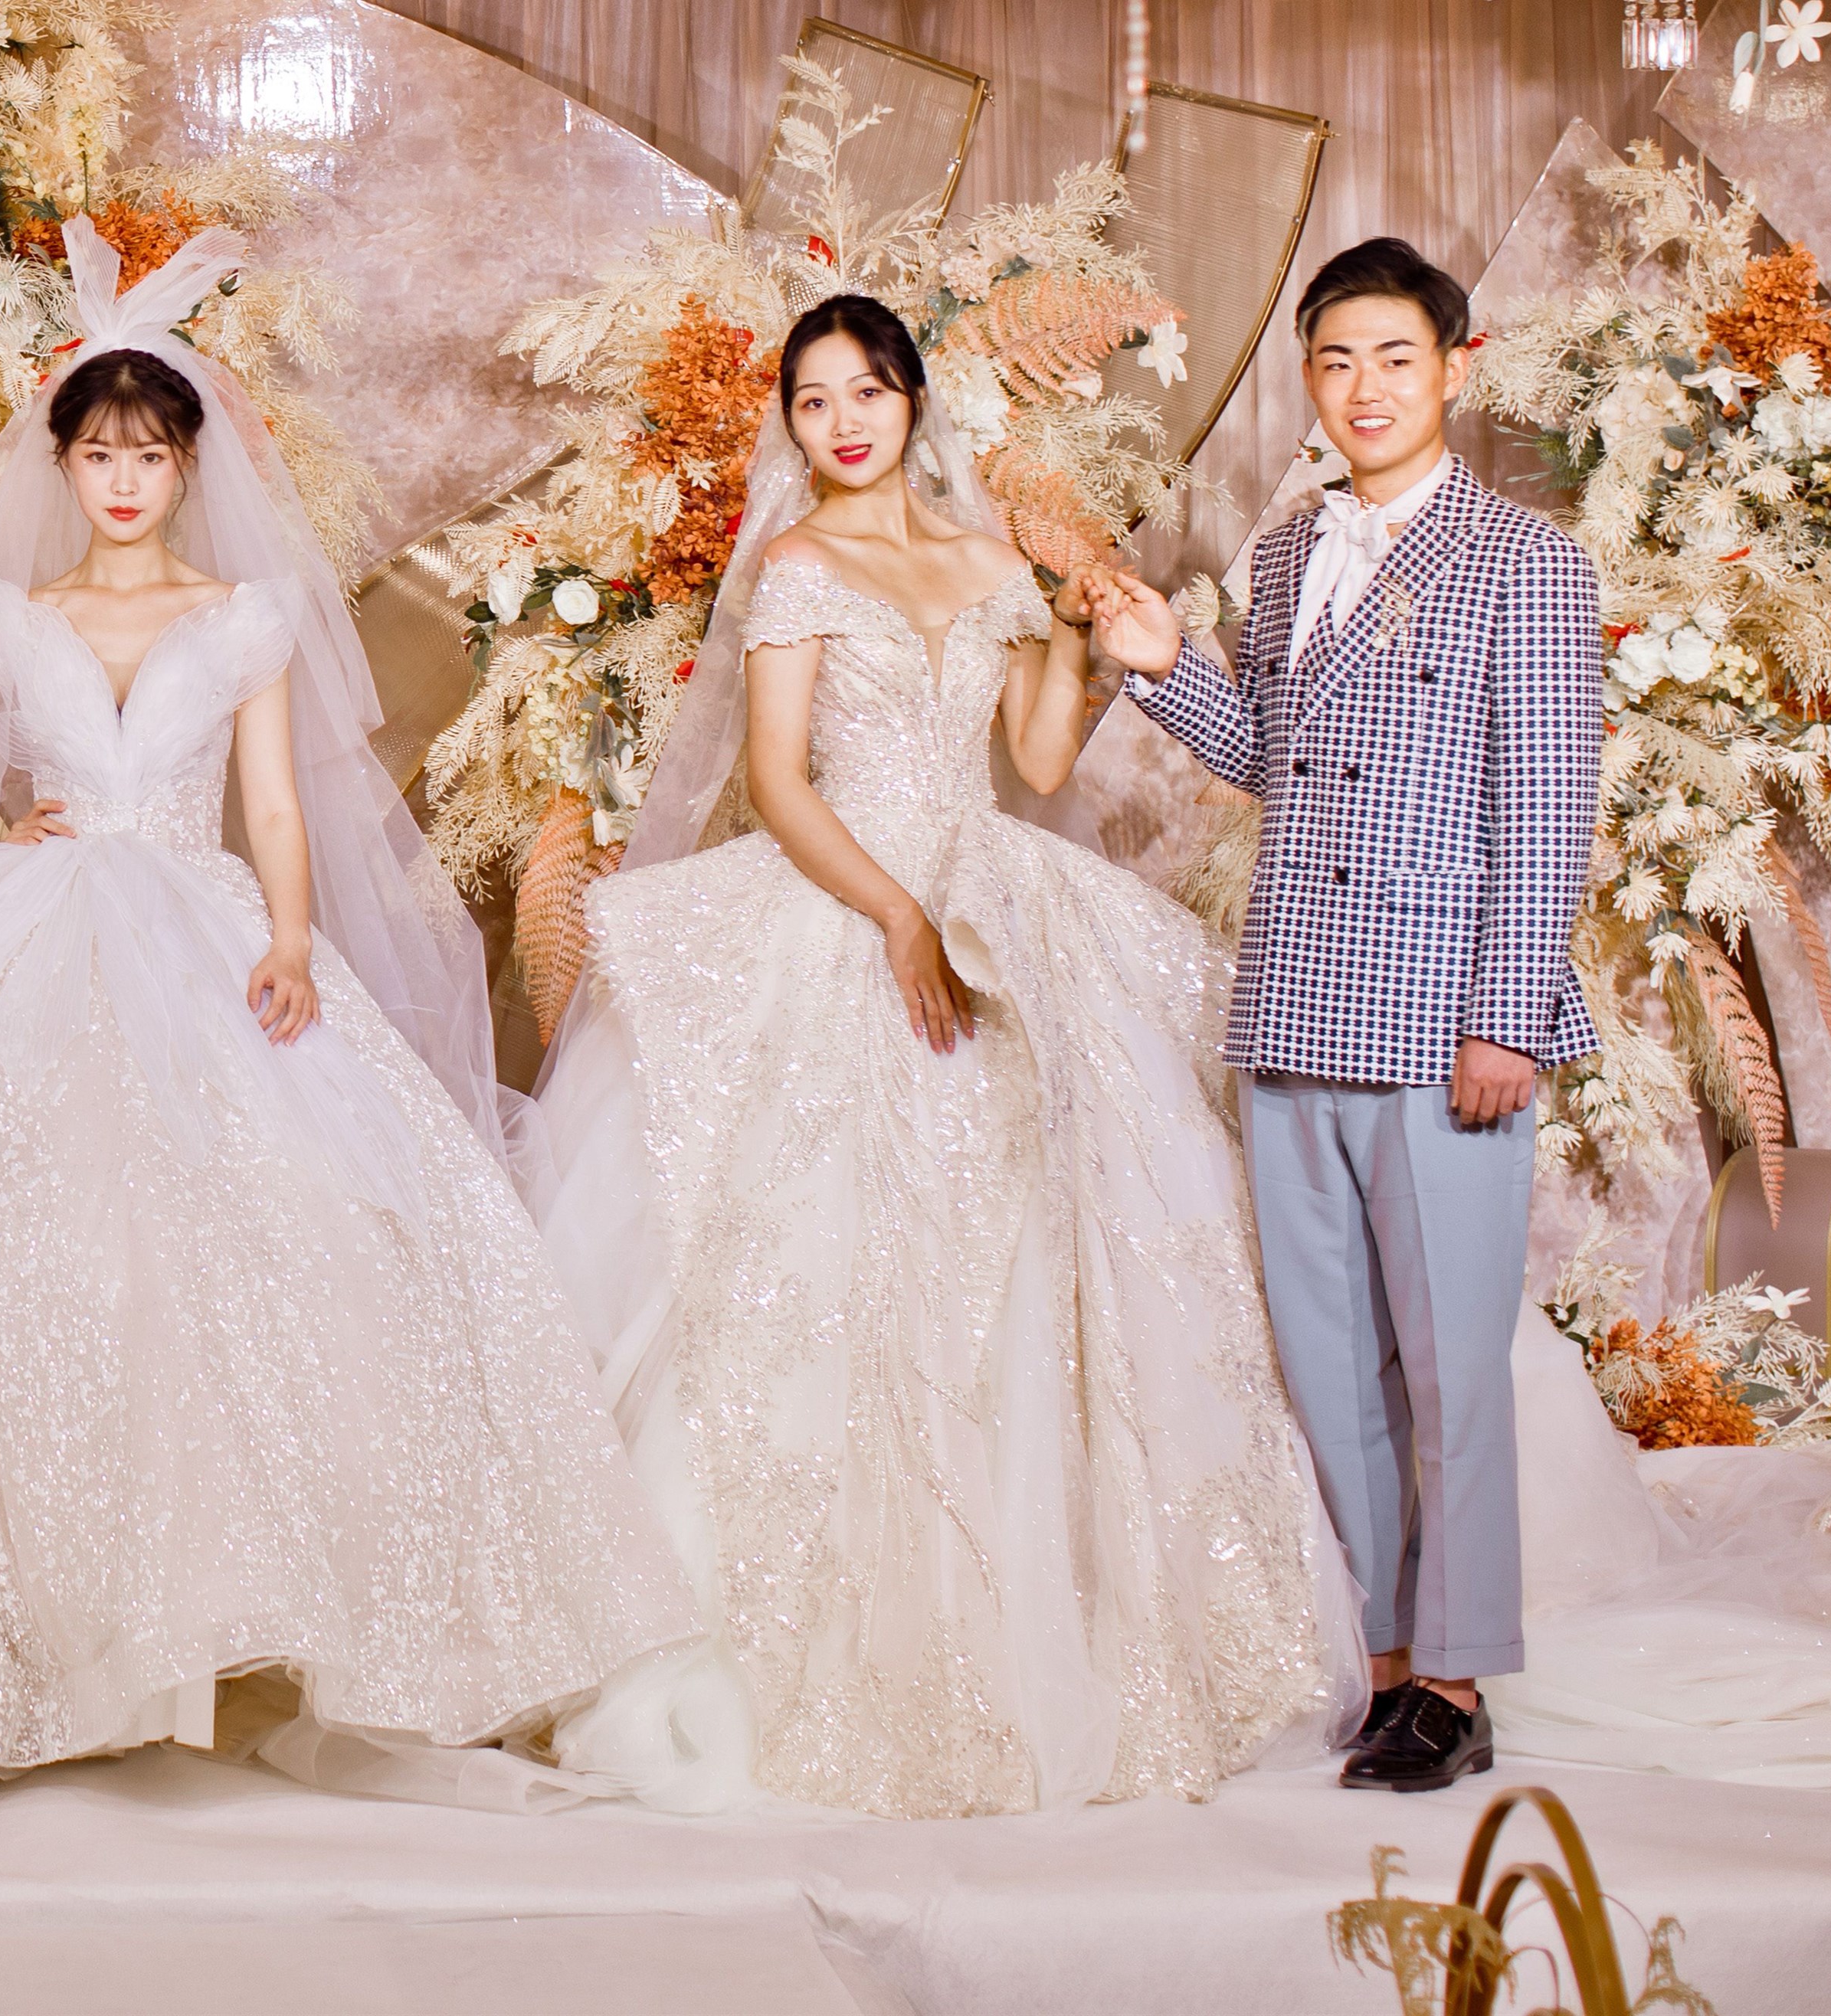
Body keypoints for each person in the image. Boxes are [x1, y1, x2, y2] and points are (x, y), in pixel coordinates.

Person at [0, 221, 693, 1799]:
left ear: (186, 465)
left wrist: (286, 939)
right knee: (25, 1222)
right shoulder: (14, 614)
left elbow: (274, 803)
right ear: (63, 466)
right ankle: (43, 1618)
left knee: (281, 1226)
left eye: (148, 455)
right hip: (35, 926)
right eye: (97, 454)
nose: (122, 480)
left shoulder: (242, 617)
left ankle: (253, 1608)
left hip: (202, 918)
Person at [521, 294, 1351, 1818]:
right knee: (821, 1249)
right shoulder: (794, 567)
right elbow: (777, 781)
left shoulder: (985, 562)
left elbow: (1031, 762)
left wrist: (1079, 641)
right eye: (811, 399)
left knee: (1032, 1246)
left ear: (911, 402)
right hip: (851, 900)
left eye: (865, 392)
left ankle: (1038, 1628)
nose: (839, 422)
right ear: (790, 423)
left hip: (999, 899)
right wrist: (899, 916)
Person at [1084, 239, 1601, 1795]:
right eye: (1333, 361)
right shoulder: (1287, 548)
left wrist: (1505, 1017)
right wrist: (1163, 669)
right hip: (1293, 1001)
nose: (1361, 388)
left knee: (1447, 1369)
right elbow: (1273, 753)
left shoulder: (1523, 559)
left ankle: (1455, 1675)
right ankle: (1384, 1662)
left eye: (1392, 356)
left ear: (1454, 366)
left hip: (1443, 1017)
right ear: (1306, 381)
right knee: (1328, 1367)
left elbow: (1545, 807)